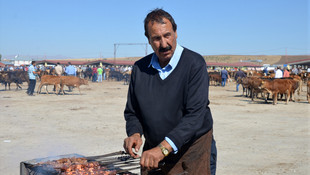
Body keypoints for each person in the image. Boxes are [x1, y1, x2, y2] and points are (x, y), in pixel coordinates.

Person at [123, 8, 215, 175]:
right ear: (148, 40)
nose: (164, 44)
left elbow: (195, 115)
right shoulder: (140, 68)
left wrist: (163, 149)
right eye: (156, 38)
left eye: (167, 35)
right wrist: (135, 133)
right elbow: (132, 111)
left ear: (176, 33)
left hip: (192, 149)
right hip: (155, 148)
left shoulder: (194, 63)